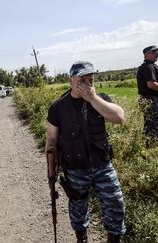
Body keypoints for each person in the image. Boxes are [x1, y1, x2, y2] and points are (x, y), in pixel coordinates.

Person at [46, 61, 126, 243]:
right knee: (78, 207)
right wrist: (51, 171)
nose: (87, 84)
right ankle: (81, 238)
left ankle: (114, 239)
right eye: (82, 79)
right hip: (75, 169)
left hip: (102, 165)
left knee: (115, 203)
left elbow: (119, 117)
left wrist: (93, 99)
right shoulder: (58, 107)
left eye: (90, 79)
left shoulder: (100, 99)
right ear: (71, 81)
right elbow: (51, 140)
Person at [136, 45, 158, 147]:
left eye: (157, 52)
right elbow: (151, 84)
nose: (157, 54)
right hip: (150, 99)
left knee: (150, 124)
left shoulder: (147, 66)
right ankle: (152, 148)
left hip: (147, 99)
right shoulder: (148, 67)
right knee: (155, 126)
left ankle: (147, 146)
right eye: (154, 52)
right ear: (147, 54)